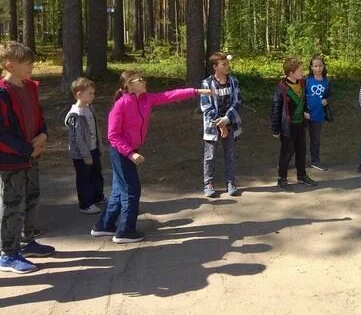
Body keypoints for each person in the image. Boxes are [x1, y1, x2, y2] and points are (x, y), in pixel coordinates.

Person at [91, 71, 212, 243]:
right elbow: (113, 136)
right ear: (129, 86)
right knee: (132, 191)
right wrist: (130, 153)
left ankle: (103, 225)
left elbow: (170, 95)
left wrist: (197, 91)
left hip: (130, 151)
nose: (144, 81)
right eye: (139, 80)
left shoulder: (147, 99)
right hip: (121, 153)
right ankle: (125, 232)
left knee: (119, 191)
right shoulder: (121, 105)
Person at [0, 42, 55, 274]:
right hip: (11, 159)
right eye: (27, 63)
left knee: (32, 197)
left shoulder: (30, 87)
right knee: (12, 203)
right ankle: (8, 254)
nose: (32, 66)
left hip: (33, 154)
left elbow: (38, 116)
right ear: (9, 65)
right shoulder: (3, 92)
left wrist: (42, 135)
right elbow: (2, 131)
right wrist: (24, 149)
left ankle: (27, 241)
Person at [271, 58, 317, 190]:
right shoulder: (282, 87)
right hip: (287, 127)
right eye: (300, 71)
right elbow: (276, 108)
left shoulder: (302, 83)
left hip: (300, 124)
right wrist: (275, 129)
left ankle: (301, 175)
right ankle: (282, 178)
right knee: (287, 152)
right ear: (291, 73)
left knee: (301, 151)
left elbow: (304, 101)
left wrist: (306, 111)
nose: (303, 73)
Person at [200, 52, 243, 197]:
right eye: (223, 64)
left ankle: (230, 182)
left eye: (227, 64)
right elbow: (206, 107)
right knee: (210, 156)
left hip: (230, 123)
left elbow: (237, 102)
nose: (227, 66)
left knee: (230, 154)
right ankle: (208, 184)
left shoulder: (233, 81)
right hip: (213, 126)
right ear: (215, 67)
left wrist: (226, 120)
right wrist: (220, 123)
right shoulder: (207, 83)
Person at [64, 77, 105, 214]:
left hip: (93, 149)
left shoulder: (89, 108)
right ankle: (85, 204)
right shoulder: (75, 114)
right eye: (90, 93)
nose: (93, 96)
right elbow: (77, 138)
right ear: (79, 95)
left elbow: (96, 128)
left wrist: (100, 145)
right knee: (84, 178)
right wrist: (85, 155)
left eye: (93, 93)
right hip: (82, 154)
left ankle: (98, 197)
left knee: (96, 174)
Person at [305, 55, 332, 171]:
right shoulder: (306, 80)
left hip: (318, 115)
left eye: (320, 65)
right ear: (311, 67)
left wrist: (327, 101)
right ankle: (294, 161)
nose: (318, 68)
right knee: (296, 139)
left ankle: (315, 161)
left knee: (315, 140)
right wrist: (304, 111)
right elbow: (300, 97)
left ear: (324, 66)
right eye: (315, 66)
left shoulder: (327, 81)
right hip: (305, 115)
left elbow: (329, 96)